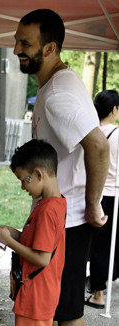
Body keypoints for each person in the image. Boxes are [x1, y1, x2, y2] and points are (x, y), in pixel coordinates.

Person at [0, 9, 109, 326]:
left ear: (51, 47)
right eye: (16, 40)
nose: (16, 50)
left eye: (25, 44)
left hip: (71, 220)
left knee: (68, 309)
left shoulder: (58, 94)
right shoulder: (55, 83)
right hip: (61, 215)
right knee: (52, 308)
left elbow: (97, 145)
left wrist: (92, 204)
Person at [0, 139, 66, 326]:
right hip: (38, 292)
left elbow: (42, 257)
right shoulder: (53, 203)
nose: (23, 187)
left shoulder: (46, 210)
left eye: (24, 180)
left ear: (38, 174)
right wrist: (12, 233)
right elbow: (37, 241)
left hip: (38, 293)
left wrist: (9, 242)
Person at [86, 90, 119, 309]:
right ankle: (100, 288)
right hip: (116, 194)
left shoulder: (91, 133)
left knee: (98, 245)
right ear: (115, 109)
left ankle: (98, 291)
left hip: (96, 195)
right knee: (109, 244)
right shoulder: (117, 133)